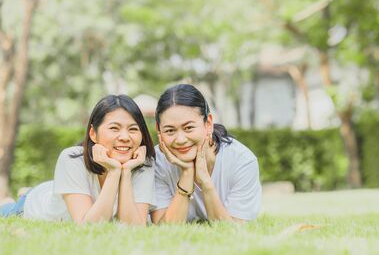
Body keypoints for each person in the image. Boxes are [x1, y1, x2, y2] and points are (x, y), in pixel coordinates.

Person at [0, 95, 156, 225]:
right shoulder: (72, 158)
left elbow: (133, 227)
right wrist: (114, 172)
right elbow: (89, 227)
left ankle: (24, 191)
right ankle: (12, 199)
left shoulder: (142, 163)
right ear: (93, 134)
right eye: (114, 128)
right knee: (5, 210)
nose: (124, 137)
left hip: (59, 189)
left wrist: (126, 172)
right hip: (32, 205)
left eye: (133, 129)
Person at [151, 84, 262, 224]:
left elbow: (232, 230)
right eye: (170, 131)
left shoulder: (242, 161)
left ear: (208, 123)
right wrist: (187, 173)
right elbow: (165, 228)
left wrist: (205, 182)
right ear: (159, 130)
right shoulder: (156, 161)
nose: (180, 140)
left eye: (189, 128)